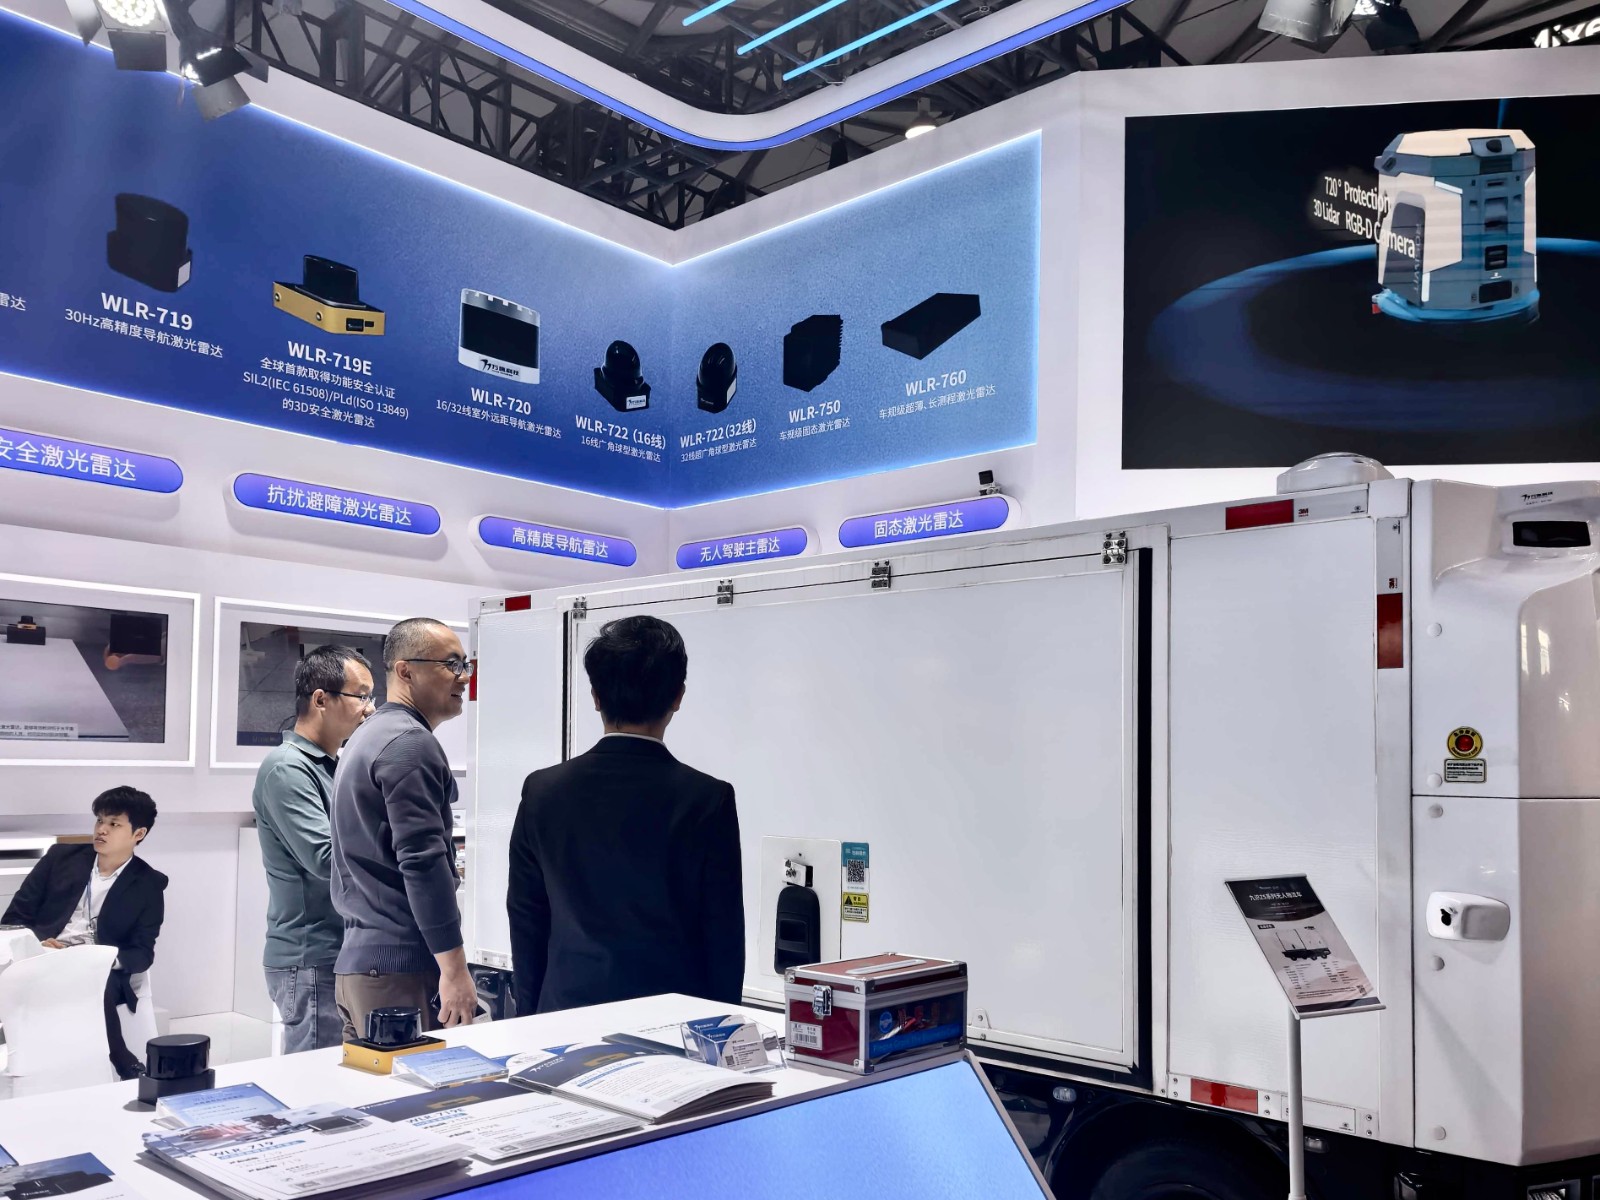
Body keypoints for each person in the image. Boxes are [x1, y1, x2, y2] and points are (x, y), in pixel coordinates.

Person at [507, 615, 743, 1015]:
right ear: (677, 696)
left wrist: (528, 1021)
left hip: (565, 1015)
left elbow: (527, 918)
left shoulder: (542, 791)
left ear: (596, 696)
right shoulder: (708, 799)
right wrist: (722, 1031)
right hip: (672, 1021)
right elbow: (723, 936)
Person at [330, 618, 476, 1041]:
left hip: (363, 968)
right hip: (400, 971)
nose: (464, 677)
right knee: (423, 1085)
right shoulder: (409, 743)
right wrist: (454, 969)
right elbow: (423, 862)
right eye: (451, 664)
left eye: (466, 664)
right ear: (405, 671)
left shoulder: (368, 736)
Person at [253, 644, 375, 1052]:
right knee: (314, 1080)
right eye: (362, 696)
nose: (370, 709)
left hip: (335, 952)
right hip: (311, 958)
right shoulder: (287, 767)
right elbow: (325, 859)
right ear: (321, 699)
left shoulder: (332, 764)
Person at [1, 787, 166, 1078]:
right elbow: (15, 917)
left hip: (99, 967)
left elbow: (142, 952)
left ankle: (121, 1059)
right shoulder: (61, 858)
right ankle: (123, 1060)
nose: (102, 829)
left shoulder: (149, 884)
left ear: (138, 834)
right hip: (41, 953)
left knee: (90, 977)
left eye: (114, 824)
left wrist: (103, 957)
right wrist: (37, 943)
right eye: (99, 820)